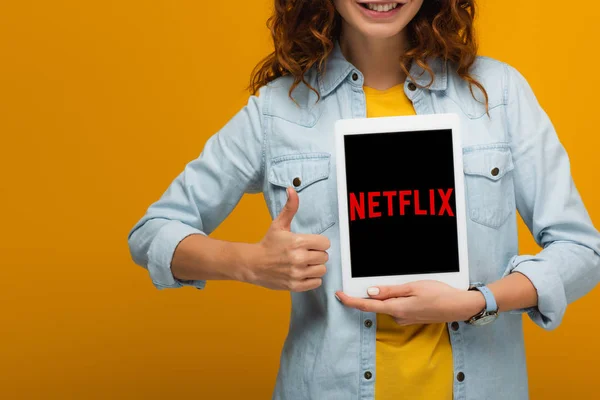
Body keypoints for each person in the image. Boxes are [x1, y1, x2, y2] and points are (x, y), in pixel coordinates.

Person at [127, 0, 600, 399]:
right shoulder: (277, 110)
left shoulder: (499, 94)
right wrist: (250, 263)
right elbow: (152, 234)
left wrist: (477, 302)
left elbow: (581, 250)